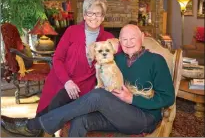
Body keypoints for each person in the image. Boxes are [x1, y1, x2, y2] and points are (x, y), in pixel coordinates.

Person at [1, 24, 175, 137]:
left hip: (142, 118)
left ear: (142, 38)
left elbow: (168, 98)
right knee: (81, 119)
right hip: (117, 112)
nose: (129, 43)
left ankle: (34, 125)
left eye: (133, 38)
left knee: (98, 95)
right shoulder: (116, 59)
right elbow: (98, 73)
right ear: (119, 42)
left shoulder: (156, 61)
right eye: (124, 39)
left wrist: (132, 99)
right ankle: (38, 124)